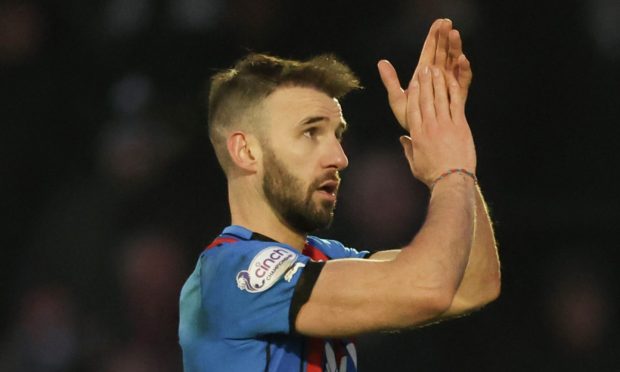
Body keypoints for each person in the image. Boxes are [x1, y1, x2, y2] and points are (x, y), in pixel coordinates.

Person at [179, 18, 500, 372]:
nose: (339, 158)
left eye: (338, 134)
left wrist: (456, 155)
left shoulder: (322, 258)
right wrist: (449, 171)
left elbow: (472, 284)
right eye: (310, 133)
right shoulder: (230, 274)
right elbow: (430, 288)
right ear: (246, 152)